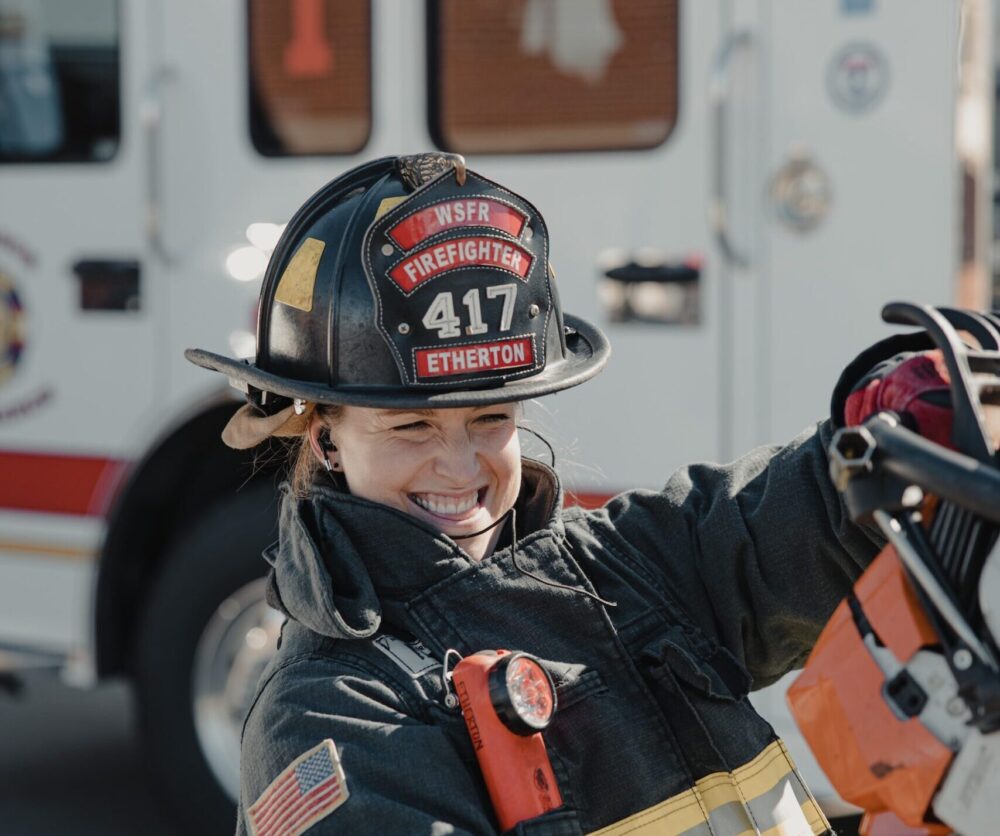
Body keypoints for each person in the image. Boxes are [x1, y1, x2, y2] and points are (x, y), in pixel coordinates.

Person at [186, 154, 957, 836]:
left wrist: (894, 437)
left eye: (492, 418)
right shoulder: (327, 716)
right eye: (410, 427)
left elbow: (777, 530)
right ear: (324, 437)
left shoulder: (624, 571)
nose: (460, 468)